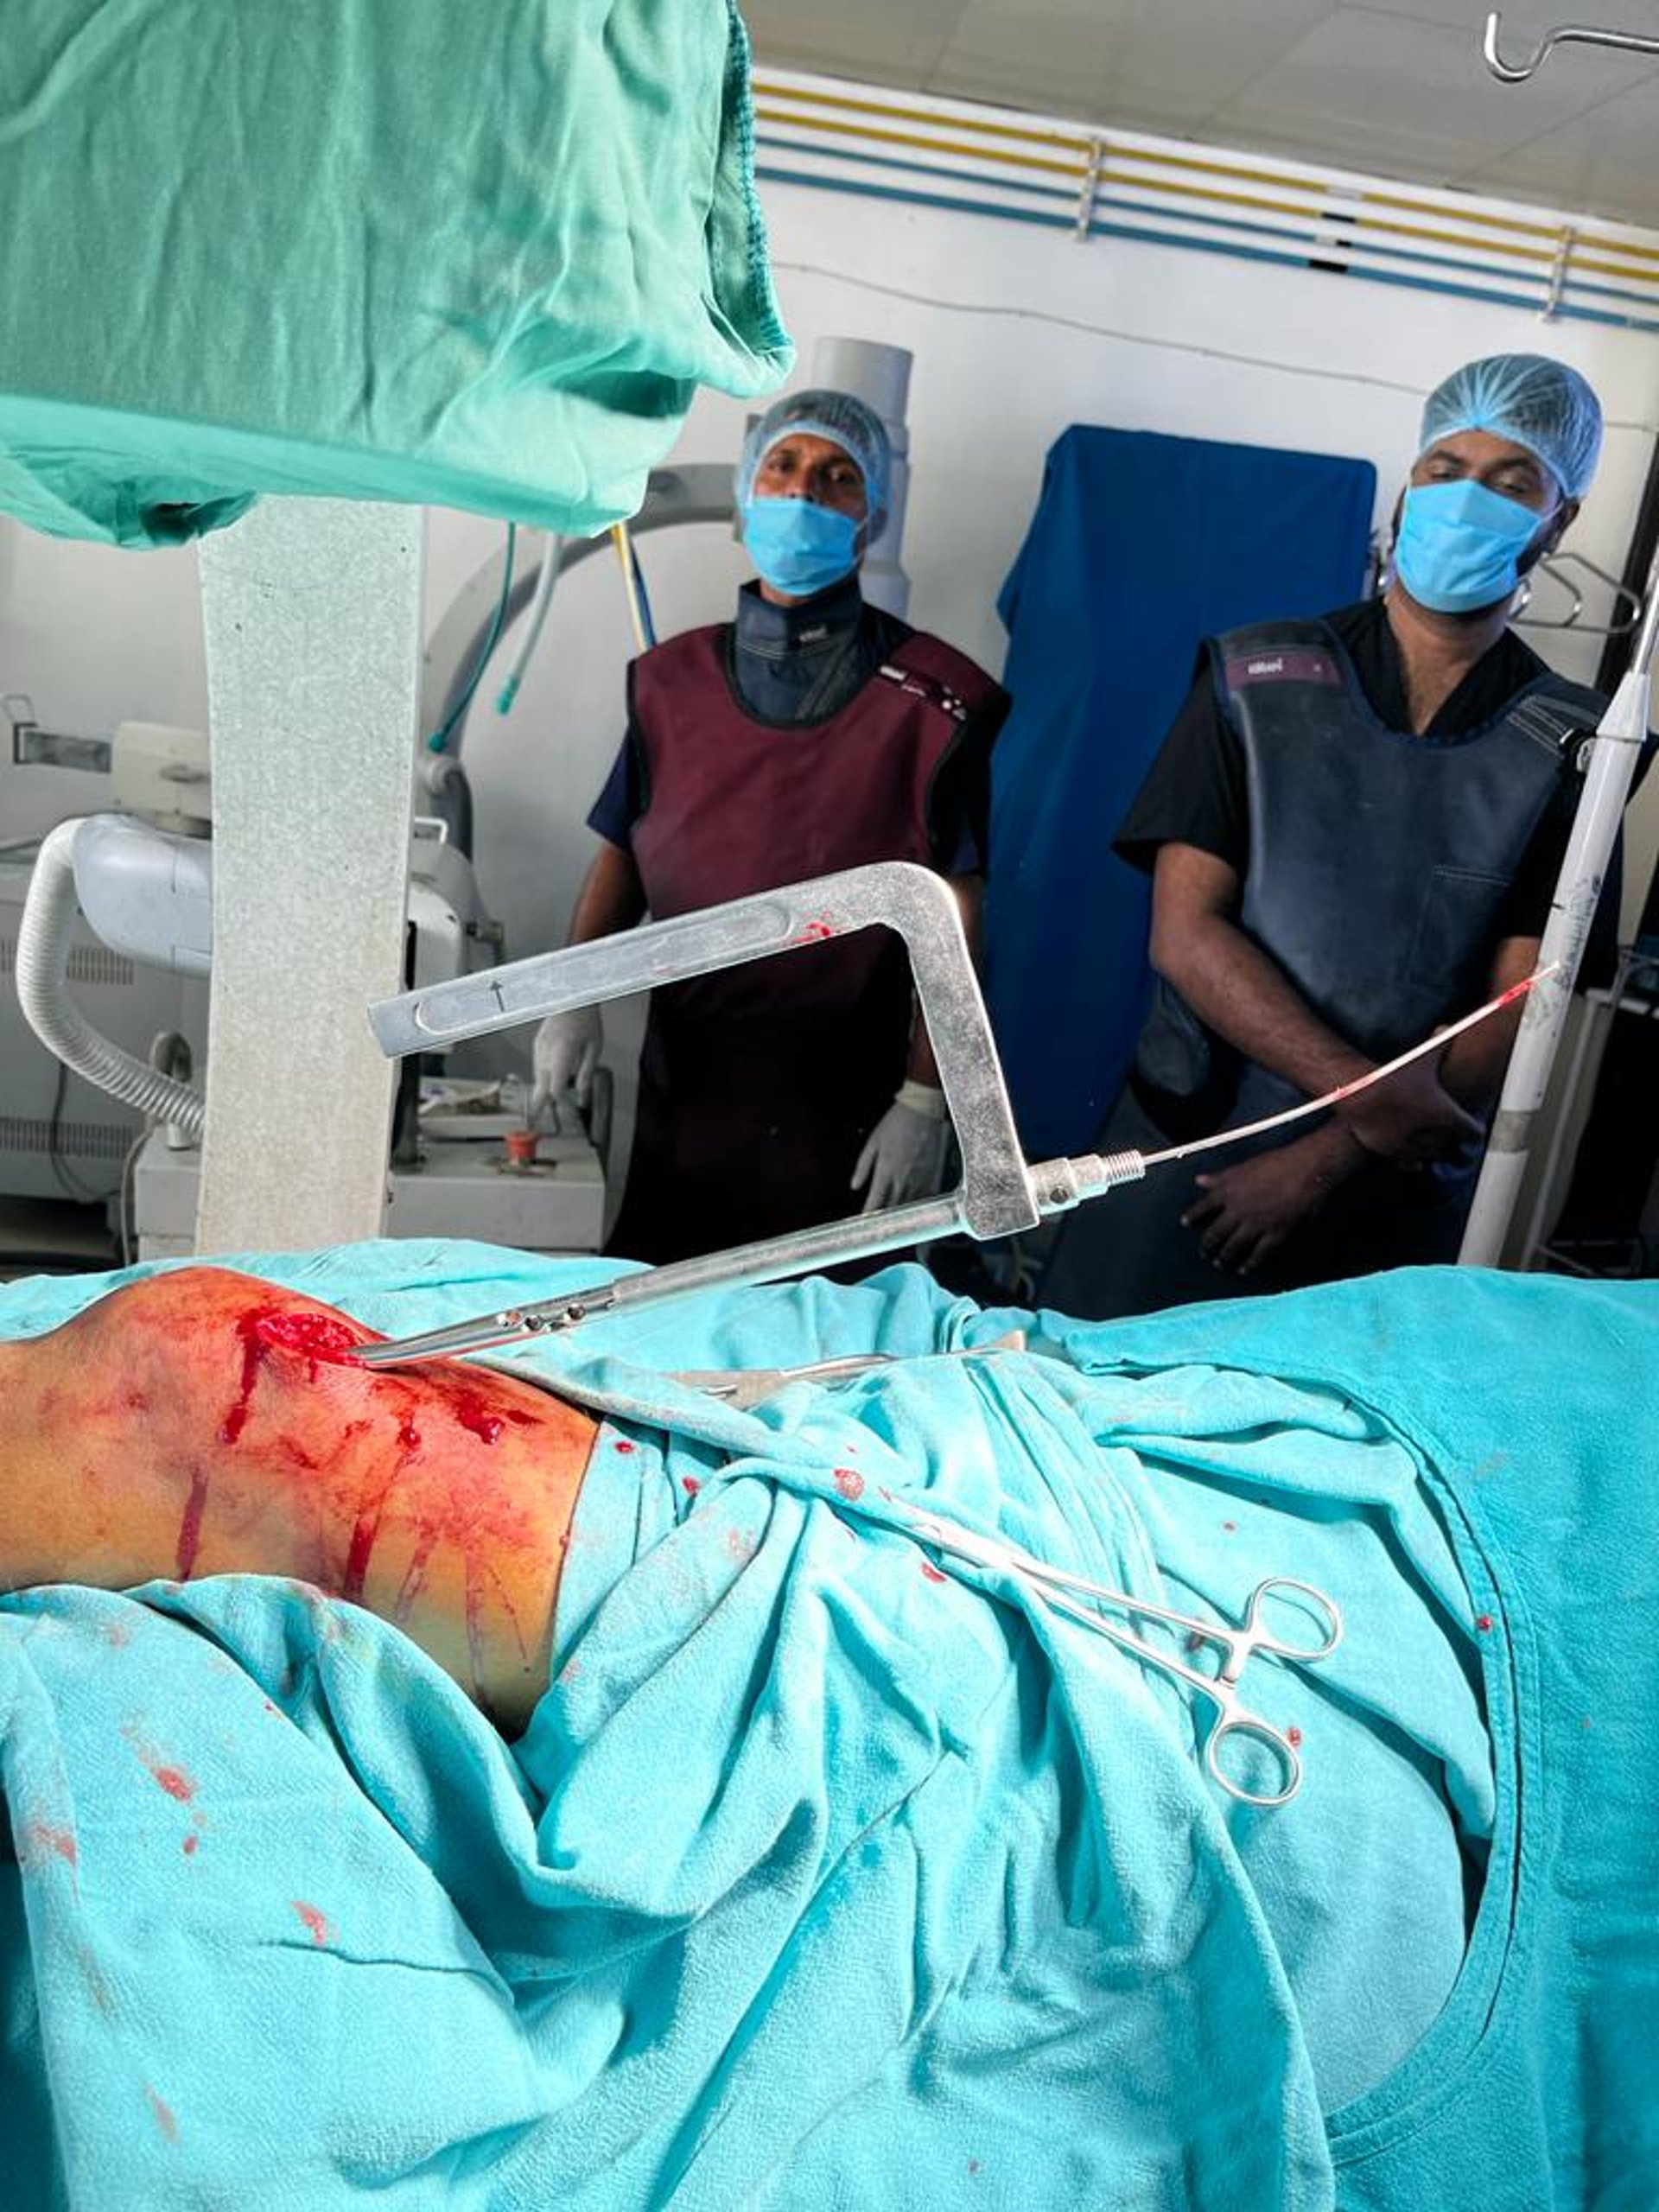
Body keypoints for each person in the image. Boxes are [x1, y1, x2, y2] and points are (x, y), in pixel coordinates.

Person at [1043, 352, 1617, 1321]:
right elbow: (1184, 934)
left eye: (1512, 480)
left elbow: (1527, 998)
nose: (1467, 498)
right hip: (1194, 1146)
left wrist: (1330, 1154)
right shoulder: (1250, 677)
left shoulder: (1573, 744)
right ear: (1408, 480)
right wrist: (1368, 1098)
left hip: (1390, 1184)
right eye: (1446, 468)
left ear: (1558, 521)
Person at [529, 387, 1009, 1265]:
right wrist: (571, 1006)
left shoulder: (939, 705)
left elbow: (959, 923)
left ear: (873, 516)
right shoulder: (667, 682)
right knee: (656, 1321)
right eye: (783, 469)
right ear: (747, 494)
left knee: (817, 1348)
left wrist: (927, 1099)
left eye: (837, 480)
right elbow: (621, 856)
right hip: (686, 1094)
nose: (802, 496)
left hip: (846, 1114)